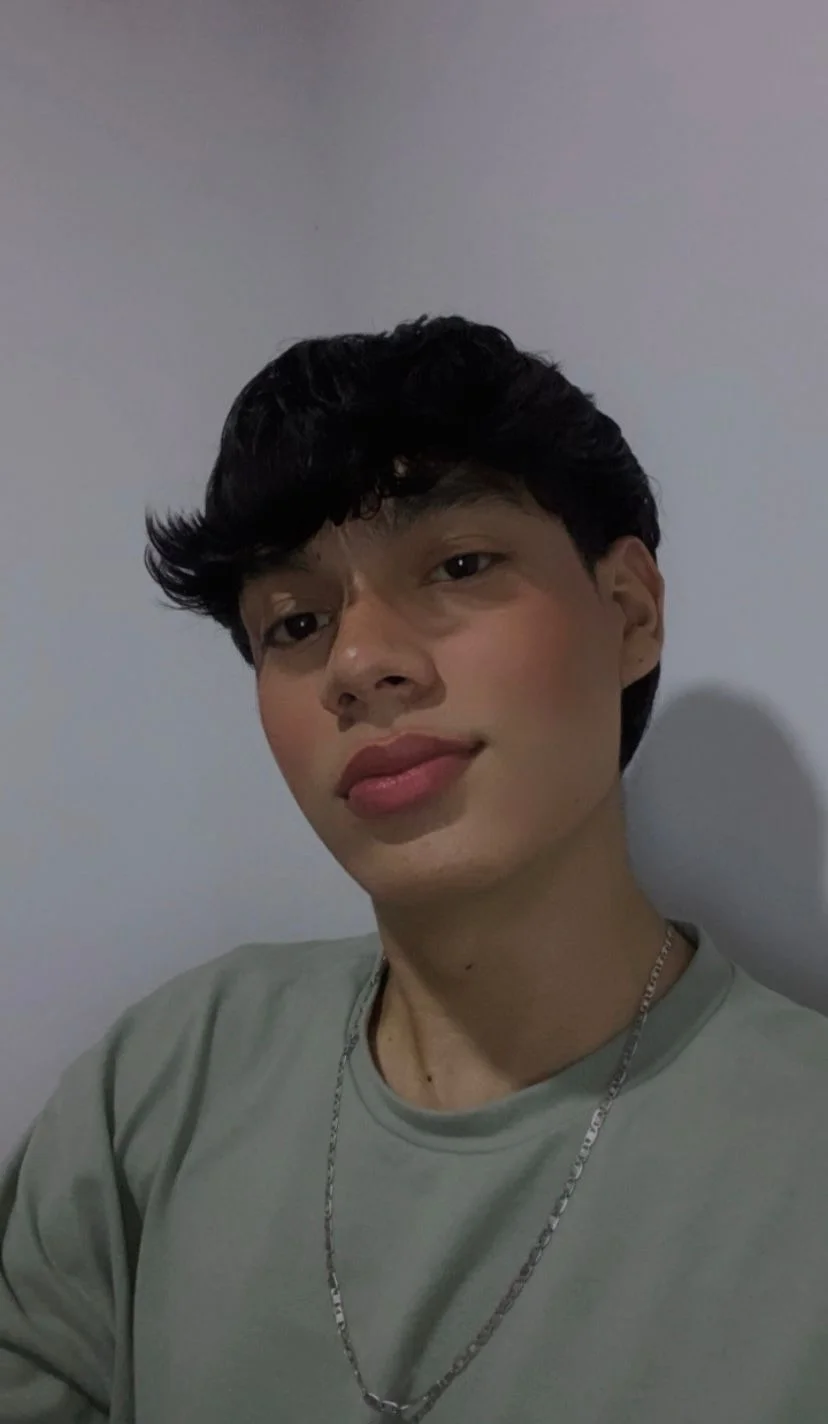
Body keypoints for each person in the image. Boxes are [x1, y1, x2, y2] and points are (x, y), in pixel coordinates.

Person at [1, 314, 826, 1423]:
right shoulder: (163, 1081)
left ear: (629, 612)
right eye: (295, 623)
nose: (357, 662)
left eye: (459, 564)